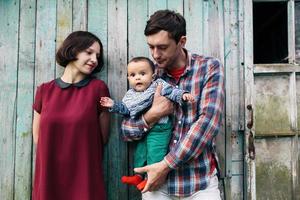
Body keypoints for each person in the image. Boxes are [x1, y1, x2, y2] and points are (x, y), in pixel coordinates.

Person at [121, 10, 225, 199]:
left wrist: (165, 166)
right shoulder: (149, 76)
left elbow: (208, 124)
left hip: (199, 182)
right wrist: (152, 114)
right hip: (156, 187)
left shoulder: (209, 67)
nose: (155, 55)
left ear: (181, 41)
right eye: (151, 47)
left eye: (162, 47)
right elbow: (127, 130)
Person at [32, 31, 110, 200]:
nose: (94, 60)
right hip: (50, 176)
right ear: (72, 50)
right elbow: (38, 137)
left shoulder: (98, 89)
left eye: (97, 56)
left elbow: (103, 137)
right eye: (89, 53)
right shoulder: (45, 91)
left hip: (84, 177)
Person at [100, 56, 194, 191]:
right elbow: (126, 110)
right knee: (140, 152)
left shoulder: (158, 85)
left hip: (160, 128)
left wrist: (182, 95)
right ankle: (138, 176)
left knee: (154, 153)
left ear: (153, 76)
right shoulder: (130, 95)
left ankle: (149, 179)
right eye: (133, 75)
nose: (137, 78)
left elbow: (172, 92)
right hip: (145, 129)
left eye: (142, 74)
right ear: (128, 78)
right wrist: (113, 104)